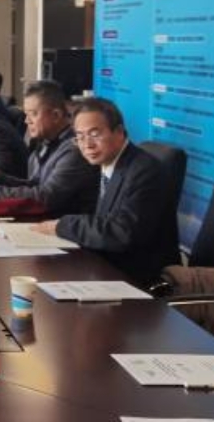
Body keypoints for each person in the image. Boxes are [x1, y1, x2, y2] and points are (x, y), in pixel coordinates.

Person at [33, 97, 181, 286]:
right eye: (80, 137)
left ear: (119, 132)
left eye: (95, 134)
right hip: (108, 265)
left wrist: (62, 226)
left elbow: (122, 233)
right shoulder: (103, 164)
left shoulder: (144, 171)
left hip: (141, 279)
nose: (87, 145)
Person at [0, 81, 98, 217]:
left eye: (33, 114)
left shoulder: (75, 149)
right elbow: (35, 185)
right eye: (26, 114)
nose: (27, 121)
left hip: (61, 224)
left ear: (56, 115)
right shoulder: (45, 142)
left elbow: (46, 196)